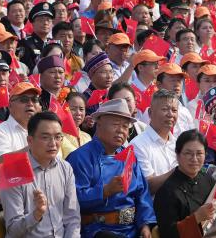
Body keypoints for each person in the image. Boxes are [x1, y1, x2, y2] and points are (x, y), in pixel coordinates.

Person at [66, 98, 156, 238]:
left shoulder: (128, 157)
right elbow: (72, 200)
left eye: (125, 126)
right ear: (99, 124)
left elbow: (142, 194)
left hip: (131, 229)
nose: (120, 131)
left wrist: (145, 224)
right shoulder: (80, 157)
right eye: (115, 124)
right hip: (97, 230)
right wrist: (105, 191)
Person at [1, 111, 82, 238]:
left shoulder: (65, 168)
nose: (53, 143)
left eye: (58, 137)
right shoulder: (12, 170)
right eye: (45, 137)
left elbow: (72, 218)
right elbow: (12, 231)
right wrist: (36, 214)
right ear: (30, 140)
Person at [153, 129, 216, 238]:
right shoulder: (166, 192)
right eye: (188, 153)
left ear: (205, 154)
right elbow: (168, 234)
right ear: (177, 155)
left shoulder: (209, 181)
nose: (194, 159)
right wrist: (196, 218)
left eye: (199, 153)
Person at [129, 88, 180, 192]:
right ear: (150, 113)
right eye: (165, 109)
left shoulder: (178, 143)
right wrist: (179, 170)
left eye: (174, 110)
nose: (170, 114)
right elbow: (148, 186)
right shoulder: (137, 145)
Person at [0, 81, 42, 165]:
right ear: (10, 106)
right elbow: (0, 163)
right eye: (24, 100)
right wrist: (34, 148)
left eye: (35, 100)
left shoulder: (46, 130)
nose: (30, 104)